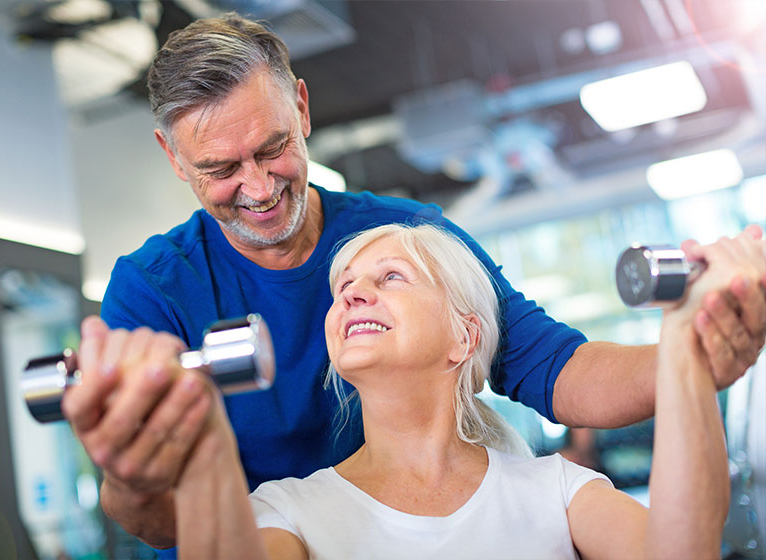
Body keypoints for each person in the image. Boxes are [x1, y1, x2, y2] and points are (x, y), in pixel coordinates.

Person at [61, 12, 766, 549]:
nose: (257, 186)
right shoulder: (157, 294)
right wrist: (148, 463)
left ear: (302, 110)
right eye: (220, 169)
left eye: (273, 148)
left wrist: (692, 358)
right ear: (175, 160)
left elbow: (560, 369)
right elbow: (160, 516)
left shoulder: (410, 232)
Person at [170, 223, 762, 559]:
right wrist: (192, 437)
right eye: (344, 287)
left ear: (464, 334)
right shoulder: (286, 511)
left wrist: (690, 343)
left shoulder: (556, 490)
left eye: (391, 277)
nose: (352, 294)